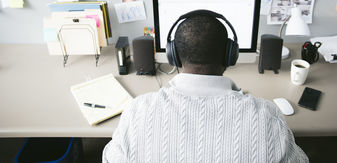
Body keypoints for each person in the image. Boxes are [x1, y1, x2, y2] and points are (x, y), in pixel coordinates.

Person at [102, 10, 309, 162]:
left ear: (173, 55)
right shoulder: (267, 116)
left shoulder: (137, 111)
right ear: (231, 55)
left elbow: (110, 158)